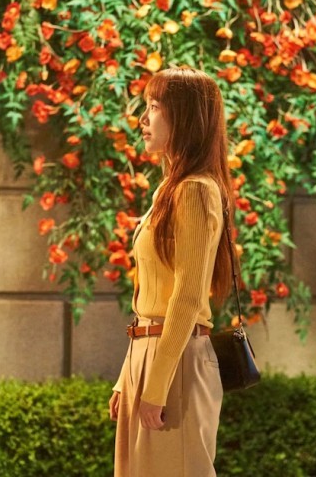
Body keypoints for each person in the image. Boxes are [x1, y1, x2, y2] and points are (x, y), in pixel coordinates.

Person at [108, 66, 236, 476]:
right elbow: (152, 298)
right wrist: (128, 376)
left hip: (175, 361)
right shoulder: (171, 189)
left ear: (184, 117)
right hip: (150, 354)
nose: (143, 119)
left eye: (154, 106)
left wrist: (156, 383)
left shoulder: (195, 190)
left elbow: (187, 297)